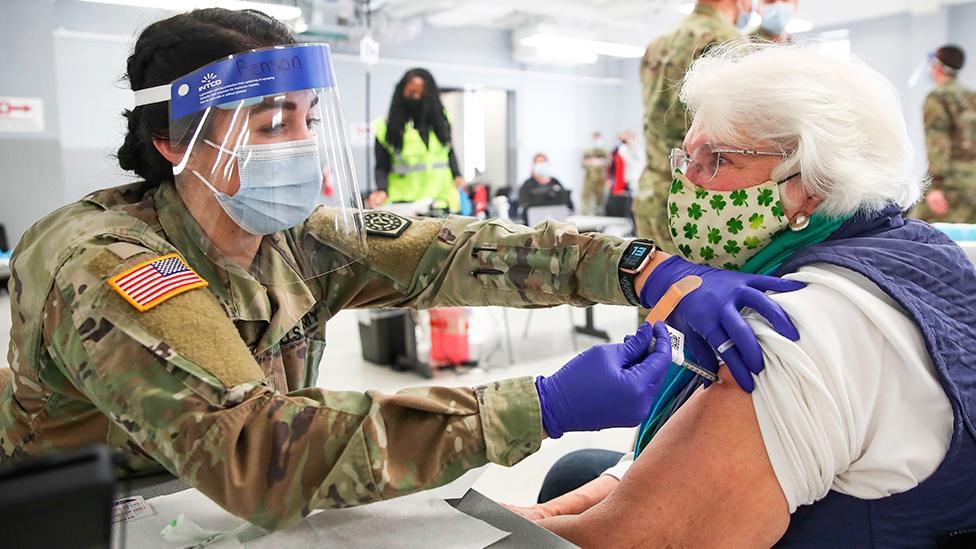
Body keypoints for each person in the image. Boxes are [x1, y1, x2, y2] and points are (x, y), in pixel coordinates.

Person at [0, 9, 802, 532]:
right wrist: (540, 404)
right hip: (90, 517)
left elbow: (454, 248)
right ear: (174, 141)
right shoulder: (104, 263)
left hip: (216, 513)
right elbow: (254, 455)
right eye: (272, 123)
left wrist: (640, 267)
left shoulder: (291, 236)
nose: (302, 145)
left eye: (310, 120)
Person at [507, 43, 976, 547]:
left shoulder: (797, 321)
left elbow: (632, 540)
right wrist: (555, 510)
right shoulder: (917, 248)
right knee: (574, 475)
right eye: (687, 155)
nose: (686, 180)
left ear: (811, 182)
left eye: (717, 159)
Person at [633, 0, 747, 257]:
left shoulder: (659, 44)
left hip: (651, 193)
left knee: (654, 288)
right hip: (695, 203)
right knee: (693, 292)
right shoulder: (726, 42)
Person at [370, 68, 464, 213]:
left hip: (442, 201)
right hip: (406, 204)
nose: (416, 97)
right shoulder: (385, 127)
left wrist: (457, 175)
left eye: (422, 94)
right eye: (411, 93)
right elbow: (381, 166)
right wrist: (381, 189)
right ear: (401, 93)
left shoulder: (442, 122)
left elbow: (449, 151)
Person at [914, 45, 976, 223]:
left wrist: (935, 186)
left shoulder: (937, 96)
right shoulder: (972, 96)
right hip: (973, 186)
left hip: (951, 187)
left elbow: (938, 143)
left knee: (915, 232)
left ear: (937, 66)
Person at [517, 153, 574, 220]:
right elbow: (523, 205)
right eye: (539, 162)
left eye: (543, 162)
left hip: (556, 219)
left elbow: (569, 203)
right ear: (534, 165)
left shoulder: (555, 182)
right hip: (534, 221)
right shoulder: (527, 184)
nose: (541, 164)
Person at [581, 132, 609, 215]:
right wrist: (591, 162)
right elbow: (583, 163)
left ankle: (599, 214)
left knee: (600, 197)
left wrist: (598, 162)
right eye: (595, 139)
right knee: (586, 196)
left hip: (601, 178)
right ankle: (585, 214)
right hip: (589, 177)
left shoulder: (605, 151)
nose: (597, 141)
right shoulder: (588, 151)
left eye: (598, 139)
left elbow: (608, 163)